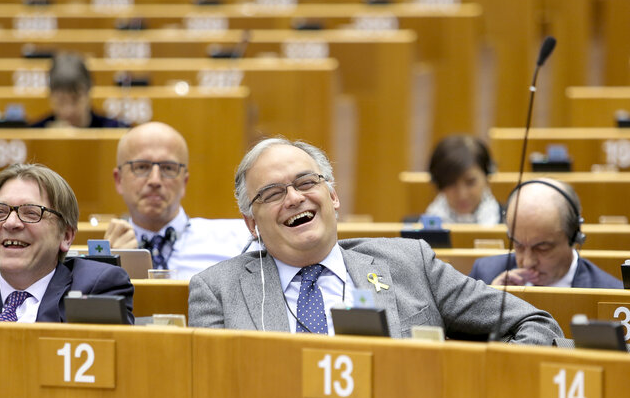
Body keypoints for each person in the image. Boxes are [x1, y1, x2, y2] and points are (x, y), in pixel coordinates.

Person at [188, 137, 563, 344]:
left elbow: (534, 323)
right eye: (271, 193)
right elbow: (213, 392)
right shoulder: (218, 289)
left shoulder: (409, 261)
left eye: (306, 182)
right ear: (251, 223)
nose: (293, 198)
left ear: (332, 196)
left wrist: (479, 382)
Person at [0, 163, 135, 322]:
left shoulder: (97, 287)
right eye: (0, 212)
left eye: (31, 213)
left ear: (66, 236)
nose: (11, 223)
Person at [105, 122, 253, 280]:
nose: (155, 180)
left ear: (184, 182)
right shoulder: (108, 256)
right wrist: (107, 270)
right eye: (141, 167)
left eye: (168, 168)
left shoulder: (238, 245)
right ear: (119, 180)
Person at [469, 179, 622, 288]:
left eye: (542, 248)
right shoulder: (485, 276)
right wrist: (490, 303)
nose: (527, 262)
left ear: (574, 237)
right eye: (518, 245)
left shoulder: (606, 293)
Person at [30, 52, 128, 128]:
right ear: (51, 97)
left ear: (89, 92)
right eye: (61, 101)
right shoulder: (34, 134)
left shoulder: (115, 130)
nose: (69, 110)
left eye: (75, 100)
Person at [424, 134, 502, 225]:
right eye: (451, 184)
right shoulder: (418, 231)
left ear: (487, 177)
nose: (462, 195)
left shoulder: (510, 225)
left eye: (470, 182)